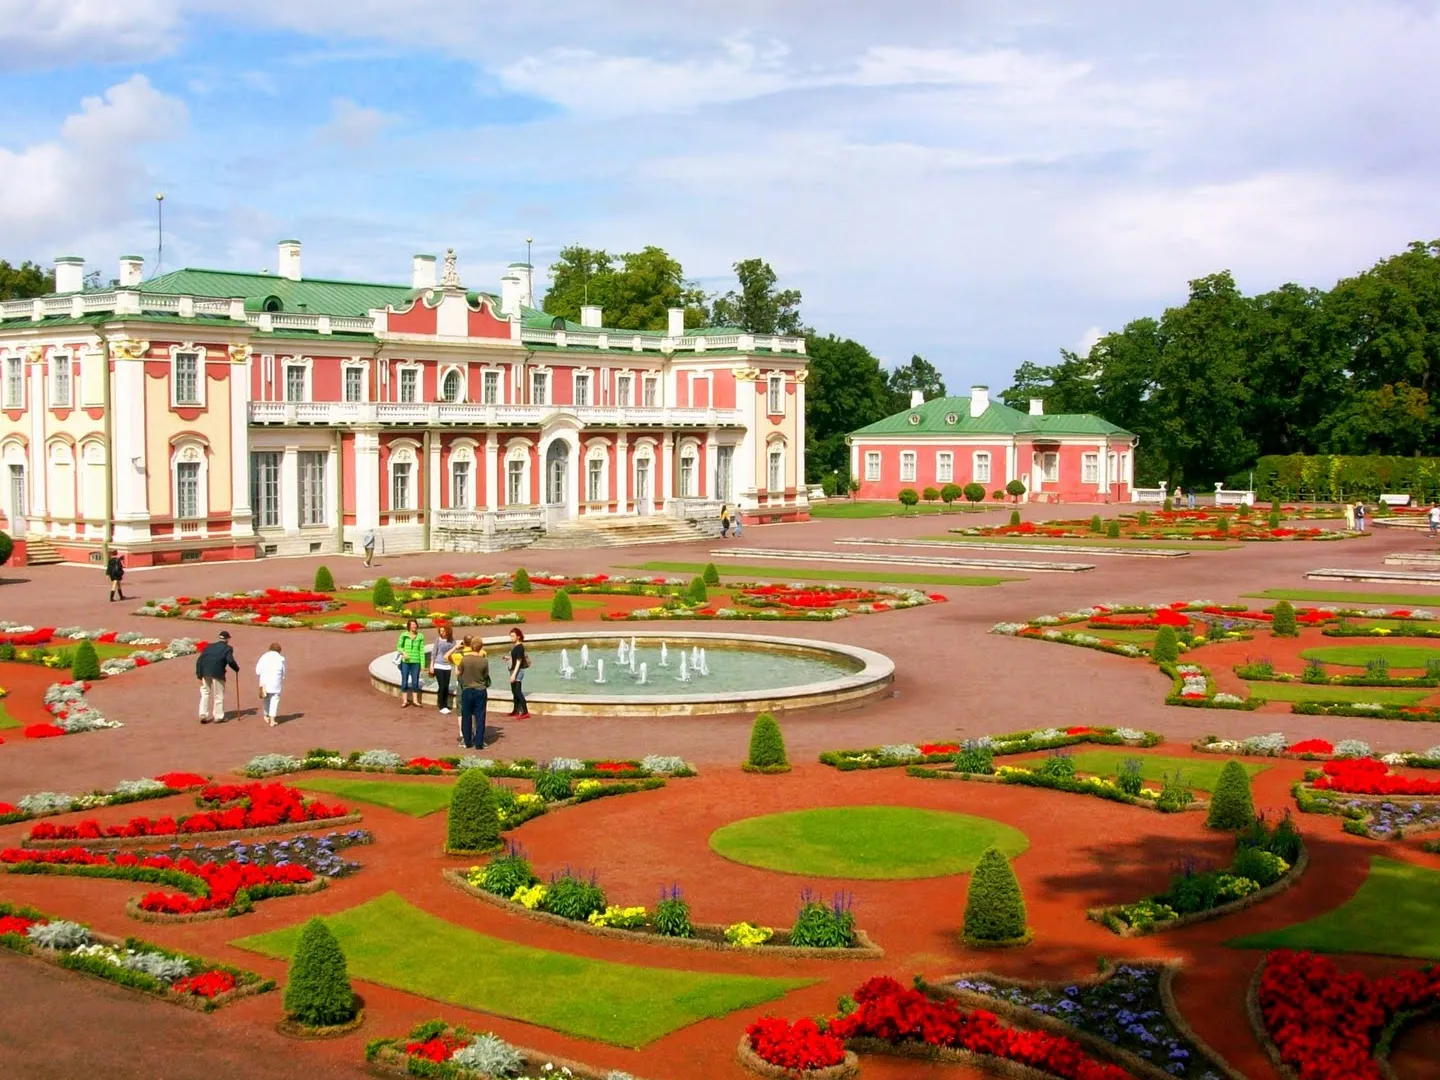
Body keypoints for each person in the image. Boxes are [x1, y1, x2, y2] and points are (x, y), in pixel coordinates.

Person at [454, 636, 492, 749]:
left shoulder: (464, 659)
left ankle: (467, 741)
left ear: (471, 646)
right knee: (480, 717)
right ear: (481, 647)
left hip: (467, 690)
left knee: (466, 716)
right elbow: (485, 675)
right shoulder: (484, 661)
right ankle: (479, 743)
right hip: (480, 690)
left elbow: (458, 673)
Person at [195, 630, 239, 724]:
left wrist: (199, 675)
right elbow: (230, 661)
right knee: (218, 695)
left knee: (205, 693)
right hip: (217, 672)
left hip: (205, 672)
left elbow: (200, 660)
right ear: (227, 639)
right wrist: (236, 669)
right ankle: (218, 717)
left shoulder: (209, 646)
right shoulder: (228, 648)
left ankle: (203, 715)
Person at [254, 642, 286, 727]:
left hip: (263, 683)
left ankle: (266, 715)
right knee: (274, 700)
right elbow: (283, 673)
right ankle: (272, 720)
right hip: (275, 683)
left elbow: (257, 671)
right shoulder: (281, 659)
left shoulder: (263, 657)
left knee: (266, 699)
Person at [395, 619, 425, 708]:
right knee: (404, 681)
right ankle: (405, 700)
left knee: (415, 681)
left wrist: (422, 664)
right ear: (409, 626)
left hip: (416, 662)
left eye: (415, 624)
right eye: (412, 625)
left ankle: (415, 701)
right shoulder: (404, 635)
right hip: (405, 662)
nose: (414, 626)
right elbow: (398, 646)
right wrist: (403, 652)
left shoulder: (420, 636)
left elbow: (421, 651)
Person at [430, 623, 456, 715]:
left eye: (443, 631)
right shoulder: (438, 640)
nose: (441, 633)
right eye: (440, 631)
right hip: (438, 664)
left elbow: (453, 652)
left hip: (447, 665)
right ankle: (442, 706)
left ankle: (445, 704)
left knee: (446, 685)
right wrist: (431, 665)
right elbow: (434, 653)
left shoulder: (452, 641)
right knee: (442, 685)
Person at [507, 627, 530, 720]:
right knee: (514, 691)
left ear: (518, 637)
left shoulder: (520, 647)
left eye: (513, 636)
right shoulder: (516, 647)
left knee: (517, 691)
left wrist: (514, 675)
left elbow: (519, 661)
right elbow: (515, 659)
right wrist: (508, 658)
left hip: (517, 671)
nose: (511, 638)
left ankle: (525, 711)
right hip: (514, 670)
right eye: (510, 636)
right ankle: (515, 710)